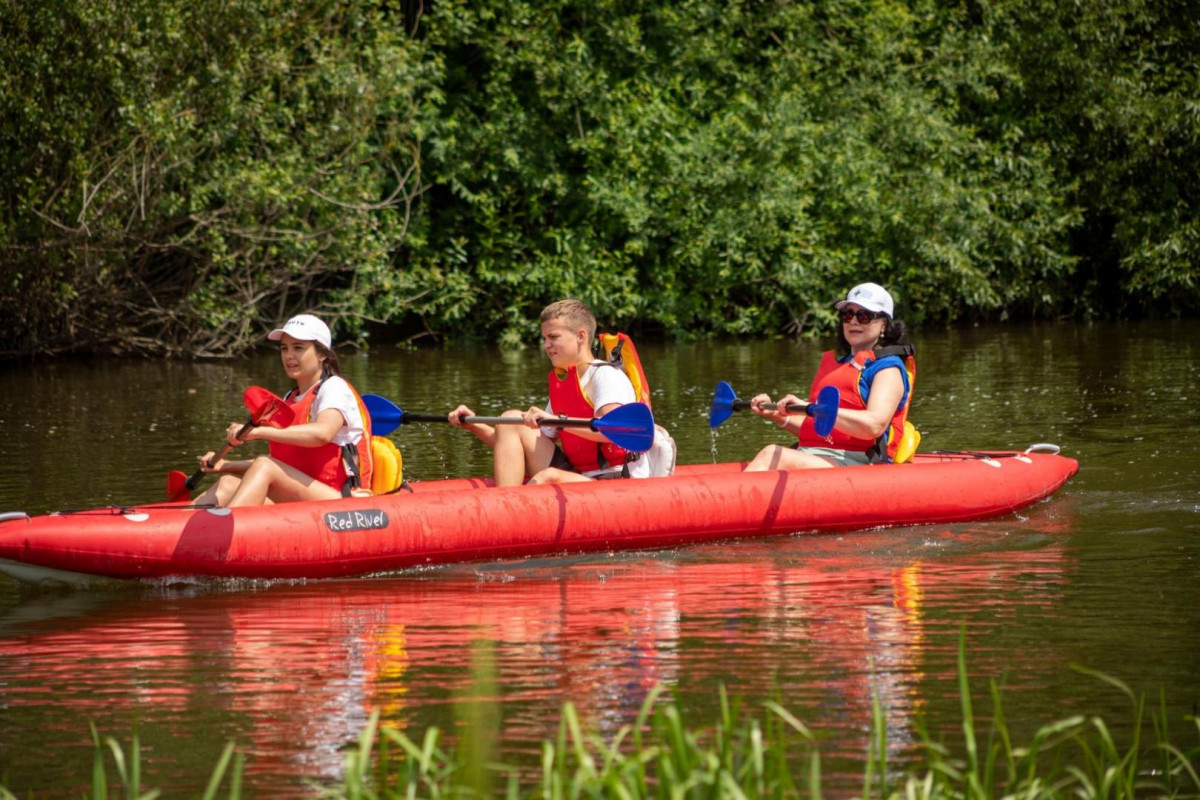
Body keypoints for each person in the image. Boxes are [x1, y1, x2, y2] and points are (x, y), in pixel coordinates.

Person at [448, 299, 663, 486]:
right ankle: (507, 505)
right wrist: (473, 425)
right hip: (581, 476)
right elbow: (511, 446)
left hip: (616, 480)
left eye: (553, 337)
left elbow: (610, 431)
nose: (546, 345)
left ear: (580, 336)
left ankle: (510, 515)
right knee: (511, 420)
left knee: (548, 476)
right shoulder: (567, 381)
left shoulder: (605, 376)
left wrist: (557, 421)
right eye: (544, 339)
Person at [196, 314, 373, 507]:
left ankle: (221, 530)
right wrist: (224, 465)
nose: (289, 355)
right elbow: (283, 464)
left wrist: (258, 432)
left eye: (298, 348)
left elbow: (323, 433)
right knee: (227, 484)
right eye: (284, 348)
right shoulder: (291, 397)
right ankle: (178, 529)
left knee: (265, 464)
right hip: (305, 497)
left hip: (341, 500)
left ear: (322, 354)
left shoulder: (334, 387)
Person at [744, 282, 914, 471]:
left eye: (864, 315)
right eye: (848, 315)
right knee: (772, 455)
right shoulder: (840, 366)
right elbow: (820, 433)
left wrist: (813, 408)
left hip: (861, 464)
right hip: (819, 456)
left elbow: (874, 425)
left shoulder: (887, 369)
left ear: (884, 324)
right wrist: (779, 415)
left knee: (772, 453)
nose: (854, 321)